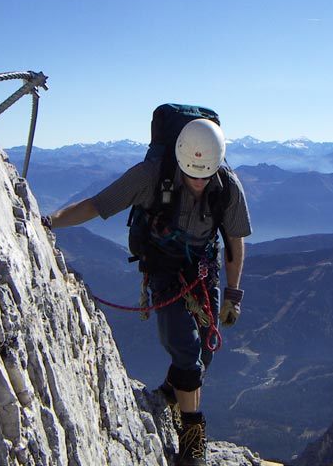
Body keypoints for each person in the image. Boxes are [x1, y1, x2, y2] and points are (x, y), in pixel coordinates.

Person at [44, 116, 252, 466]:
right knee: (187, 352)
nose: (199, 183)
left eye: (205, 176)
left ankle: (170, 395)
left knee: (204, 354)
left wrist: (233, 293)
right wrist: (49, 221)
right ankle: (192, 441)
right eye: (192, 175)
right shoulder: (151, 176)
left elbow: (234, 239)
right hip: (164, 270)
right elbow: (97, 204)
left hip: (202, 273)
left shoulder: (227, 186)